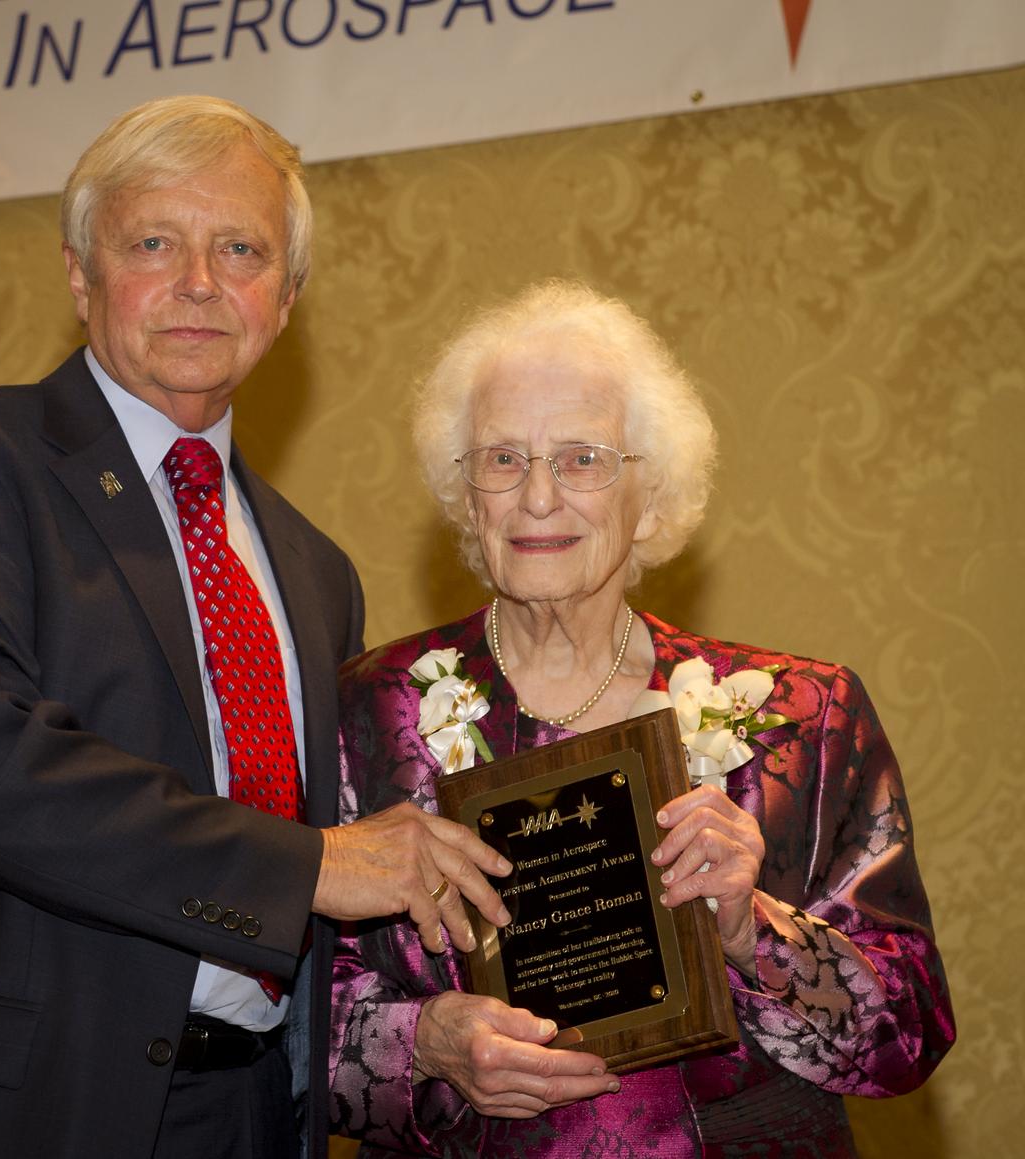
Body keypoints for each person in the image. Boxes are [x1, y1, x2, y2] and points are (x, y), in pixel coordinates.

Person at [0, 95, 511, 1159]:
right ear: (79, 273)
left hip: (246, 1113)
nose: (200, 281)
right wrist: (308, 867)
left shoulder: (314, 570)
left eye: (240, 248)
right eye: (154, 241)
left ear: (287, 297)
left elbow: (359, 863)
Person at [330, 280, 955, 1156]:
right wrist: (424, 1041)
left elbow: (912, 1031)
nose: (538, 497)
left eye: (584, 458)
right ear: (465, 494)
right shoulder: (365, 710)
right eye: (502, 458)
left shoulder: (802, 715)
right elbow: (272, 1005)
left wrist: (752, 931)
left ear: (651, 495)